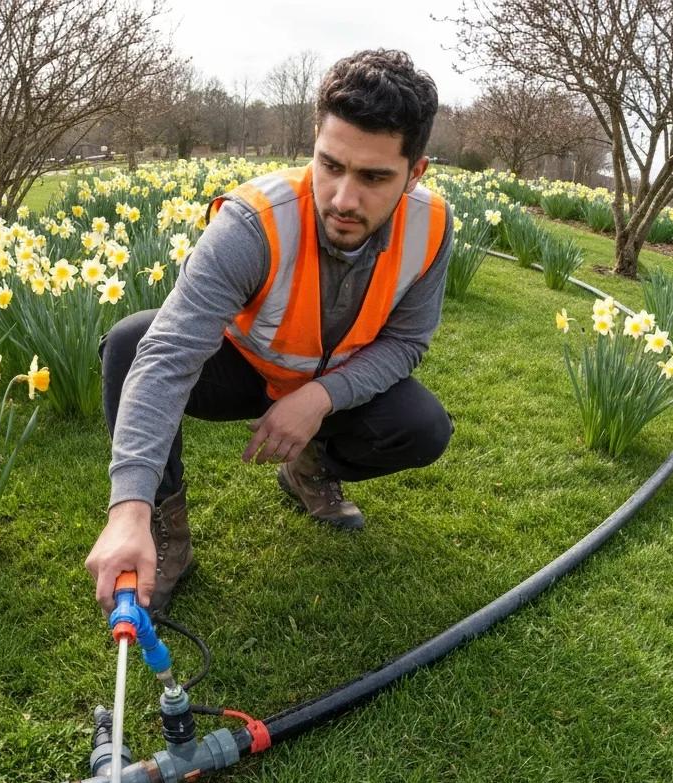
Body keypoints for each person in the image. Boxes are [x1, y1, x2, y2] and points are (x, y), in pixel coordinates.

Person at [86, 49, 455, 613]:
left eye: (375, 177)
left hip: (330, 385)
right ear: (314, 141)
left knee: (422, 427)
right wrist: (127, 508)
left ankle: (308, 469)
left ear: (416, 173)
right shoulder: (254, 221)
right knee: (133, 343)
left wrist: (320, 397)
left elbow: (406, 343)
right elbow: (170, 355)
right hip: (242, 370)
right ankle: (165, 532)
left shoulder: (431, 226)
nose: (343, 199)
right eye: (330, 165)